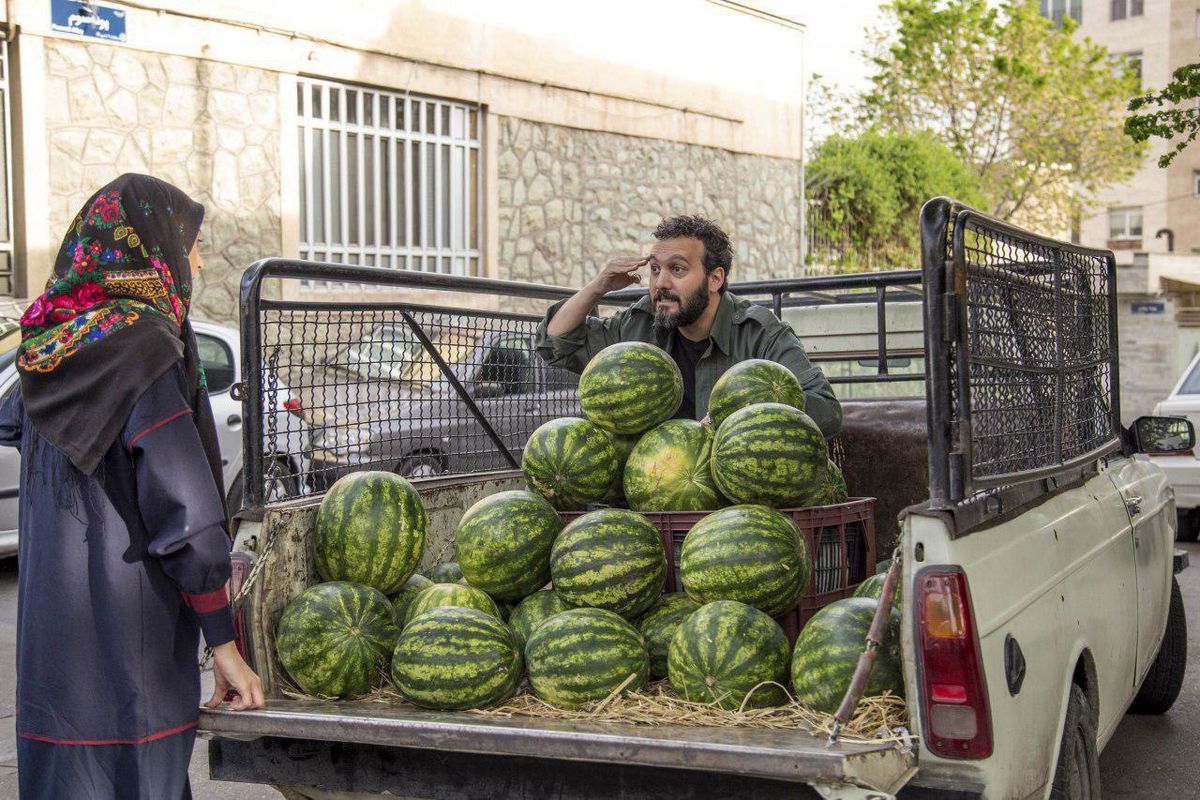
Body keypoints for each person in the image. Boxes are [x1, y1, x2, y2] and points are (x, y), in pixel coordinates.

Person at [0, 174, 264, 799]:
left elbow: (11, 418)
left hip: (51, 684)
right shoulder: (144, 348)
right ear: (154, 250)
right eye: (190, 243)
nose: (196, 260)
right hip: (130, 671)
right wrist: (223, 645)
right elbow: (188, 516)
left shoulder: (50, 346)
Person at [536, 215, 841, 437]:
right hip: (655, 486)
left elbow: (826, 410)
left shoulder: (759, 332)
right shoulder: (640, 325)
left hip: (729, 494)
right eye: (655, 270)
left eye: (677, 269)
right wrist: (599, 285)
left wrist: (746, 409)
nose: (661, 283)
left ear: (715, 279)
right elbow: (557, 343)